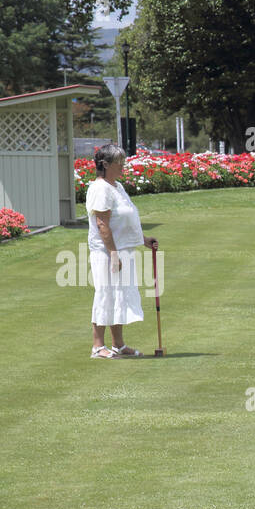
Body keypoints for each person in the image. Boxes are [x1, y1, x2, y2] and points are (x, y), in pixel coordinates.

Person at [86, 143, 158, 358]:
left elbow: (125, 219)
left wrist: (143, 240)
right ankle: (98, 346)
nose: (123, 167)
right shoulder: (100, 189)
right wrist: (114, 255)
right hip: (106, 252)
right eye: (119, 163)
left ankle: (118, 344)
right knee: (105, 294)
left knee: (119, 296)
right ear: (105, 165)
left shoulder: (117, 187)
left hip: (123, 249)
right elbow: (102, 225)